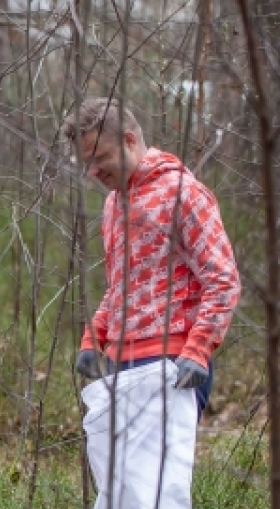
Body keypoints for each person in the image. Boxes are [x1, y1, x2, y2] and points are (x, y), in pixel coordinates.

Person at [63, 98, 240, 415]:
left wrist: (199, 349)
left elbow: (223, 280)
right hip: (122, 364)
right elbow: (121, 286)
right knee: (121, 466)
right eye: (87, 163)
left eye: (101, 157)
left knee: (159, 466)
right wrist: (94, 337)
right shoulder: (113, 204)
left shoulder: (183, 192)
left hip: (172, 362)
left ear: (129, 140)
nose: (93, 172)